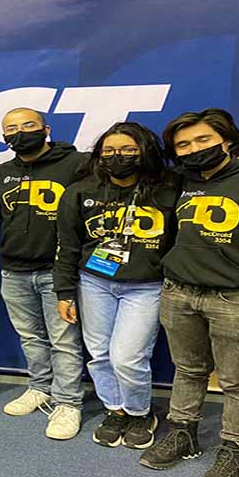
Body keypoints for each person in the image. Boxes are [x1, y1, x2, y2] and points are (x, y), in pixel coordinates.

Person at [139, 109, 239, 477]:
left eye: (204, 140)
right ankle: (183, 433)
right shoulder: (179, 183)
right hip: (179, 294)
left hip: (237, 299)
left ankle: (237, 452)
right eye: (183, 145)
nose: (194, 149)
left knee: (237, 380)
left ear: (226, 140)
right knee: (188, 370)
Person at [54, 122, 178, 449]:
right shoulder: (81, 191)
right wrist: (64, 291)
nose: (116, 157)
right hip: (94, 281)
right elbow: (67, 246)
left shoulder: (169, 189)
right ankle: (115, 409)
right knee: (99, 354)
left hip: (146, 285)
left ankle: (140, 412)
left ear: (145, 152)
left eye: (127, 150)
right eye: (108, 151)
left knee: (127, 357)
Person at [0, 107, 88, 439]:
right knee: (31, 337)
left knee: (64, 340)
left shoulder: (77, 164)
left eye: (28, 125)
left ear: (46, 128)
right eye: (11, 128)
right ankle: (40, 387)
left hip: (56, 272)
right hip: (13, 270)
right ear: (4, 137)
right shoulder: (1, 173)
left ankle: (69, 403)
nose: (20, 132)